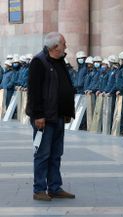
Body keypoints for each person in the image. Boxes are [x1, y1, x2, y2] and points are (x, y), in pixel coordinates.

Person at [26, 32, 75, 201]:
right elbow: (34, 92)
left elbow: (65, 86)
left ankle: (54, 187)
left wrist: (67, 111)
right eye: (64, 44)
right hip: (44, 118)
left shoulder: (59, 61)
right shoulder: (39, 62)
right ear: (55, 47)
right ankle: (39, 189)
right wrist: (38, 115)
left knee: (56, 154)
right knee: (43, 154)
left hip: (59, 116)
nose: (65, 46)